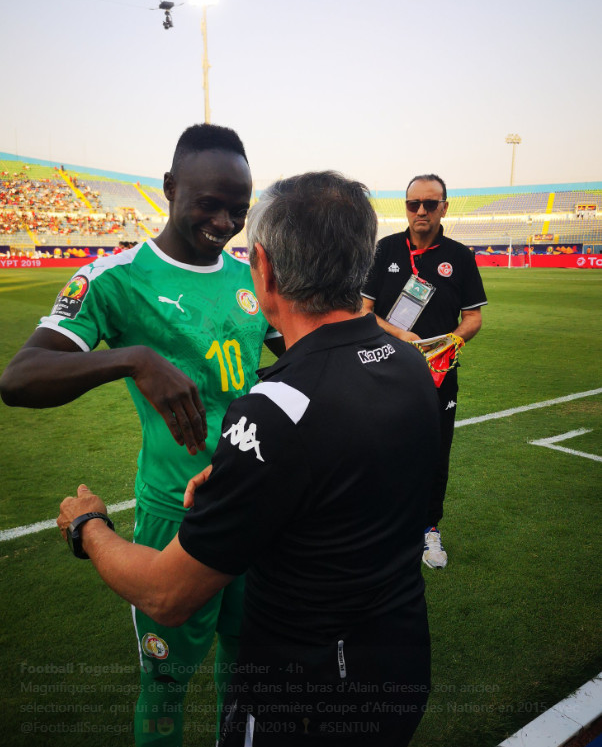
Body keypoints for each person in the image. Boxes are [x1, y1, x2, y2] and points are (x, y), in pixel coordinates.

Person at [56, 170, 440, 746]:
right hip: (398, 667)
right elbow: (346, 462)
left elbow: (166, 592)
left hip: (304, 701)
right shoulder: (410, 366)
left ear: (262, 267)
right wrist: (250, 474)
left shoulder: (272, 413)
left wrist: (86, 526)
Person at [0, 123, 283, 746]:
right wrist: (132, 359)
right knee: (165, 686)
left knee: (250, 676)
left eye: (238, 208)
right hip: (174, 514)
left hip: (258, 503)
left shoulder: (251, 278)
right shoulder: (115, 279)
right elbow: (20, 377)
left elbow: (295, 363)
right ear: (169, 187)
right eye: (209, 203)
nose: (225, 221)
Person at [362, 174, 487, 569]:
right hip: (385, 371)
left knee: (435, 452)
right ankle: (382, 524)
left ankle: (429, 528)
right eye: (413, 203)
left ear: (444, 208)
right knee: (381, 448)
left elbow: (473, 319)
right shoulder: (383, 250)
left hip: (438, 374)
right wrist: (402, 335)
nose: (420, 211)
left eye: (430, 204)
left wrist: (444, 345)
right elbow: (363, 313)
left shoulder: (460, 257)